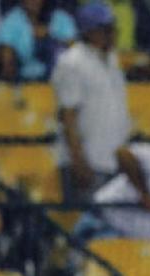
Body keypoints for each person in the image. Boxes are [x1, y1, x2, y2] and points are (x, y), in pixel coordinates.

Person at [51, 2, 130, 203]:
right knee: (89, 227)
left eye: (112, 27)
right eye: (106, 29)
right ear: (91, 32)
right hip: (88, 163)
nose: (113, 33)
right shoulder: (72, 62)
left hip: (113, 160)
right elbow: (67, 116)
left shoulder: (112, 59)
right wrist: (78, 161)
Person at [0, 0, 75, 79]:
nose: (33, 1)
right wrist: (8, 60)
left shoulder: (61, 18)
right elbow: (5, 47)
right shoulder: (12, 20)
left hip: (59, 79)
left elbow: (75, 48)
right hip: (23, 79)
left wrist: (49, 35)